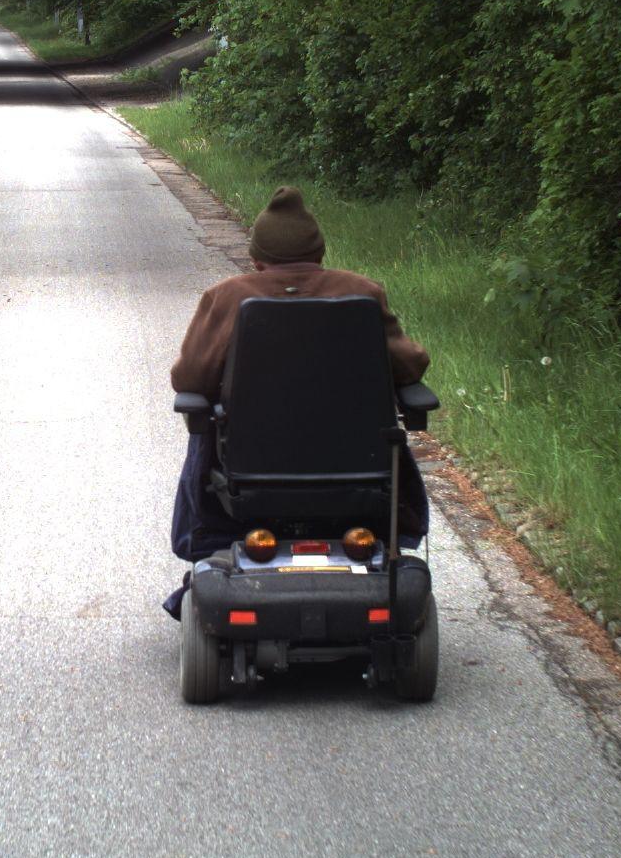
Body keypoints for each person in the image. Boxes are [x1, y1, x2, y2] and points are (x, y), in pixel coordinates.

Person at [165, 186, 432, 618]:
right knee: (390, 440)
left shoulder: (227, 297)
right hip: (358, 470)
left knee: (206, 424)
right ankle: (392, 541)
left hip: (251, 473)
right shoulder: (362, 292)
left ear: (257, 257)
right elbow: (410, 367)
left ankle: (209, 544)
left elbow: (189, 379)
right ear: (319, 253)